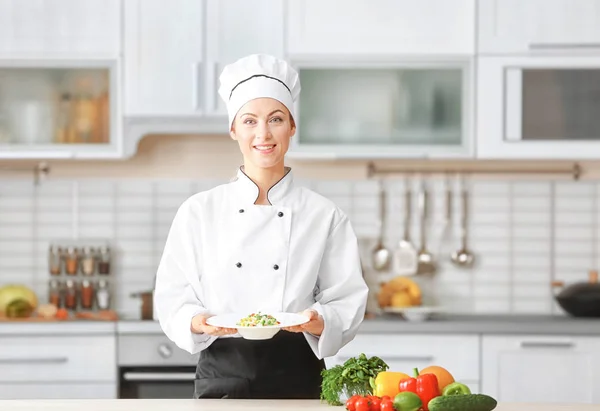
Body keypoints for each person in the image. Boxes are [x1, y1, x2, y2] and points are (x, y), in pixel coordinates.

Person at [154, 54, 369, 400]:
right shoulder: (198, 211)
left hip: (297, 374)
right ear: (233, 130)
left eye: (276, 119)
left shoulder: (324, 215)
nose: (263, 134)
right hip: (221, 372)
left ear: (292, 126)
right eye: (250, 121)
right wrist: (196, 321)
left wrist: (320, 319)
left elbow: (346, 299)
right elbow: (172, 296)